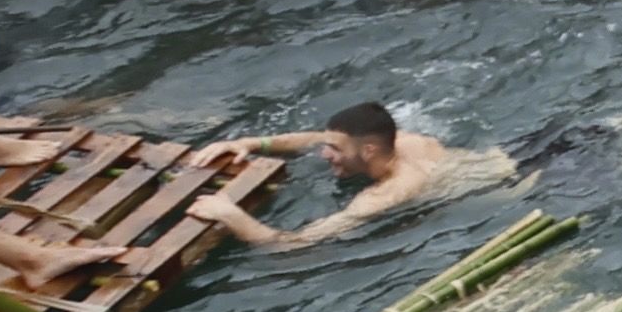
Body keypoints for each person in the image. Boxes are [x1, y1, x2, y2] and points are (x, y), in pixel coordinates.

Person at [198, 103, 472, 246]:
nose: (323, 154)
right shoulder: (397, 141)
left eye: (334, 149)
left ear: (368, 151)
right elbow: (313, 139)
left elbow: (297, 244)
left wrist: (230, 215)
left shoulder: (384, 195)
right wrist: (252, 143)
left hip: (505, 189)